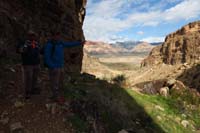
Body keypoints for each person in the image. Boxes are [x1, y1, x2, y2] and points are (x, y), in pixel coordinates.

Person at [44, 31, 84, 100]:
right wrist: (52, 66)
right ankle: (55, 97)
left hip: (60, 67)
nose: (57, 37)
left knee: (60, 82)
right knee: (54, 83)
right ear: (52, 36)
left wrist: (79, 43)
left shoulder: (60, 43)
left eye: (58, 36)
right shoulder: (49, 45)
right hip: (54, 68)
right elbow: (47, 58)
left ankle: (58, 95)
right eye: (56, 36)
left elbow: (70, 44)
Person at [17, 31, 41, 99]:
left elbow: (39, 51)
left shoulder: (35, 43)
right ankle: (27, 92)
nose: (32, 37)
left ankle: (33, 89)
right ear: (27, 36)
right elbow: (19, 50)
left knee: (35, 77)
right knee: (29, 77)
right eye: (30, 35)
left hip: (36, 63)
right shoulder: (23, 42)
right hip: (27, 63)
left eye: (33, 35)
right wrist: (25, 46)